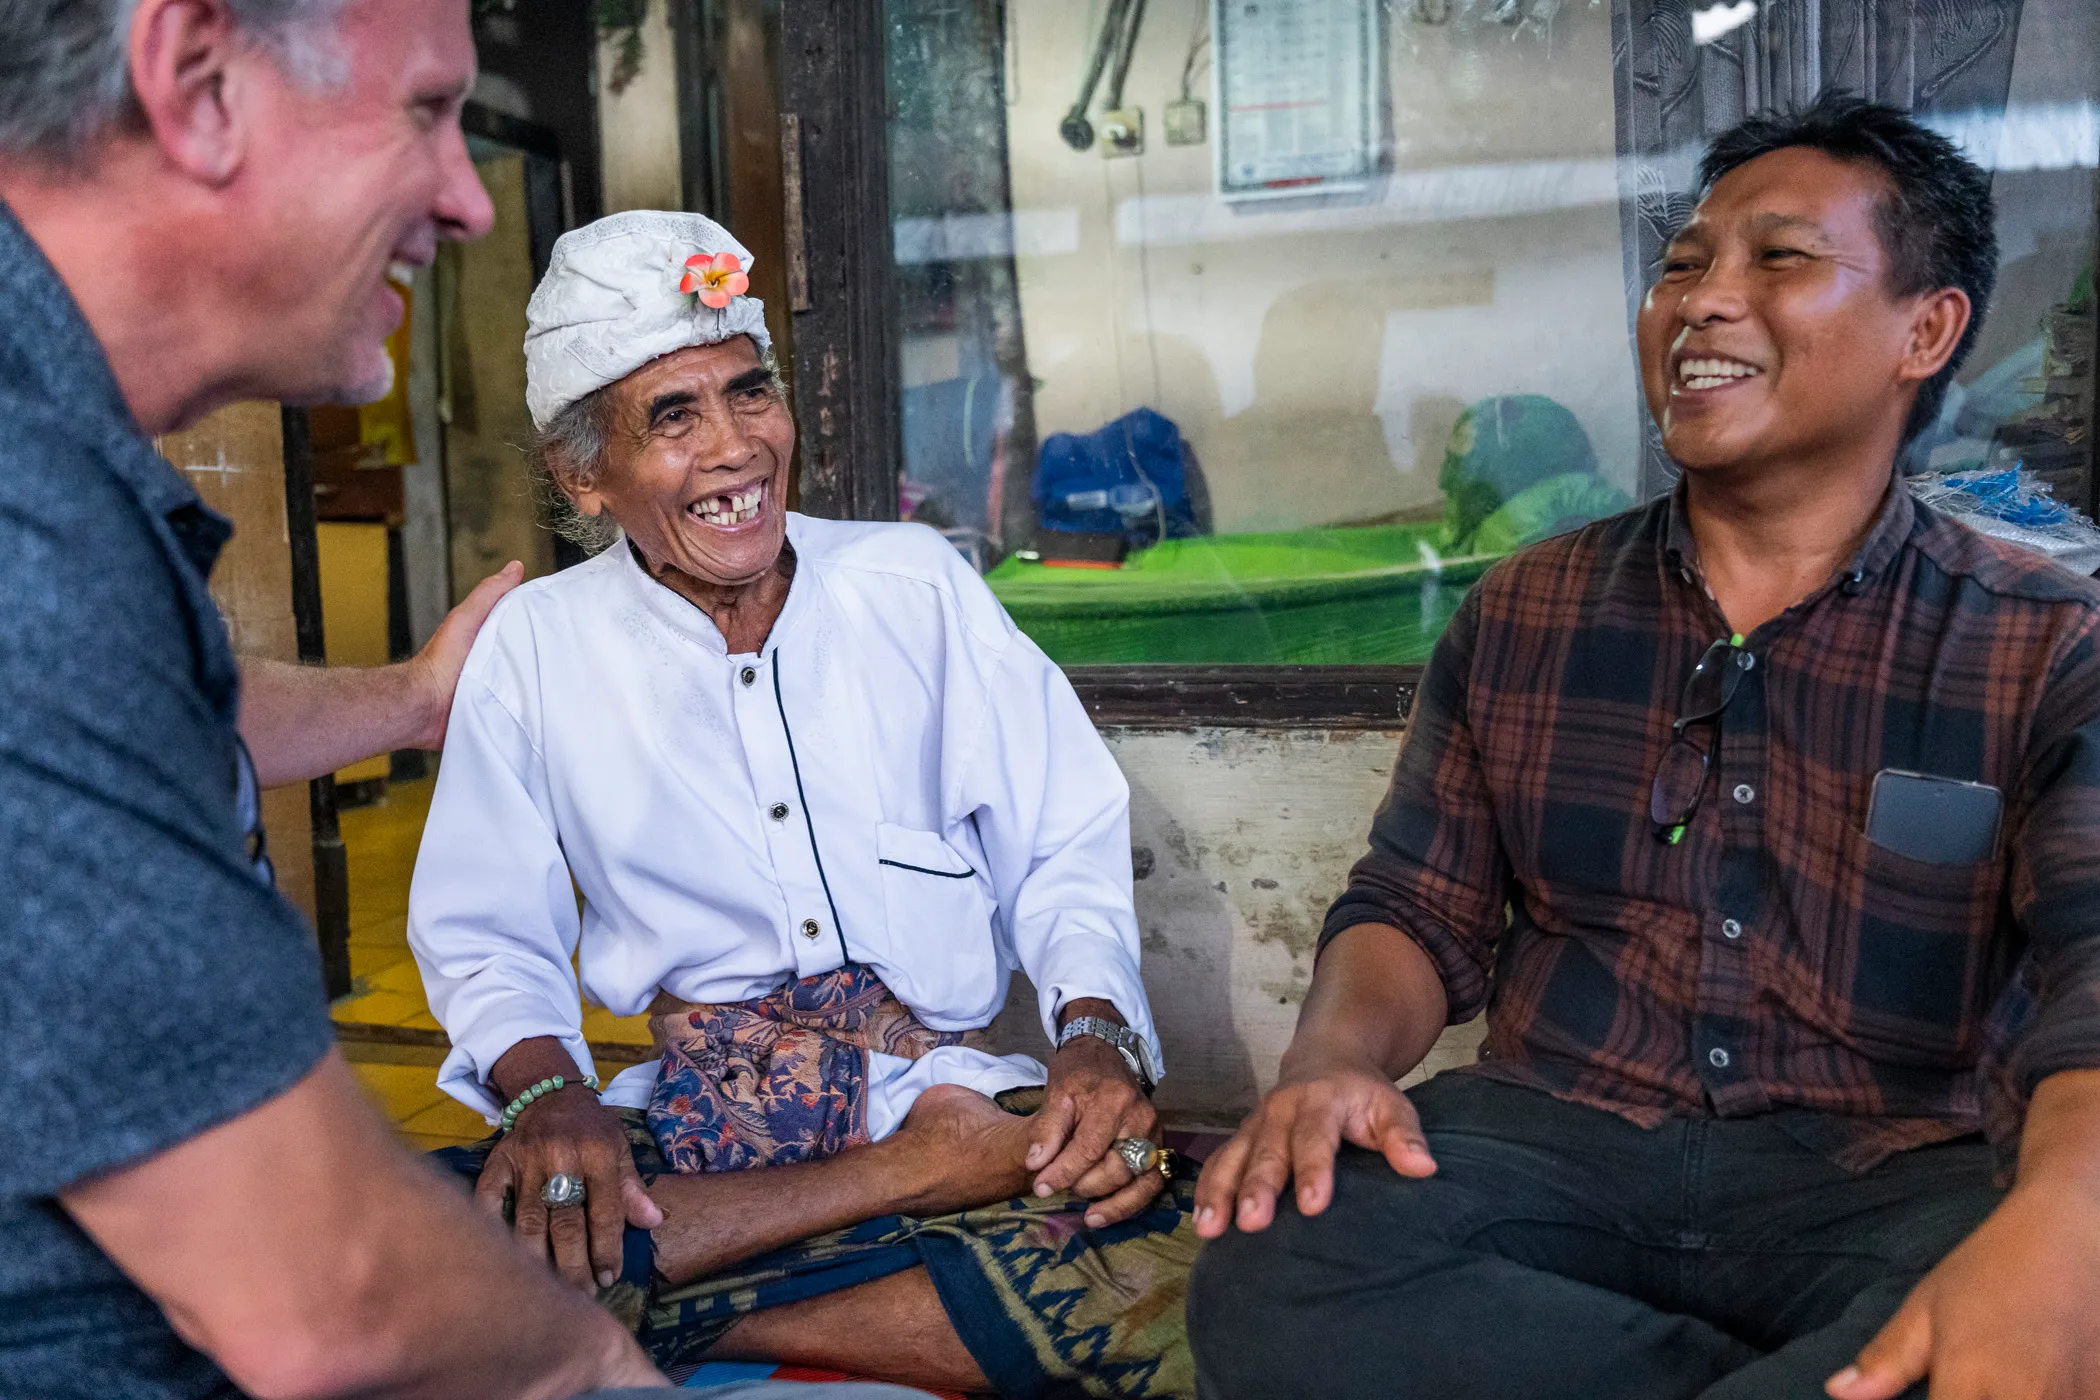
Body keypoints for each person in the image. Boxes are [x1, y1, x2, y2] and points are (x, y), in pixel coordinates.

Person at [0, 0, 909, 1394]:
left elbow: (121, 706)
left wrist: (413, 698)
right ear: (197, 83)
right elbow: (327, 1294)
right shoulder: (29, 530)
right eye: (425, 112)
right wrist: (598, 1369)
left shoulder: (58, 494)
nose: (467, 201)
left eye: (748, 397)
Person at [1187, 92, 2100, 1400]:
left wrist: (2070, 1221)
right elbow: (1412, 906)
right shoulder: (1531, 608)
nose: (1703, 301)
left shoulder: (2043, 642)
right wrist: (1330, 1062)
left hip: (1886, 1182)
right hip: (1550, 1146)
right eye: (1683, 263)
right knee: (1277, 1262)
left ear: (1928, 328)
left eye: (1779, 259)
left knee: (2007, 1316)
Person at [402, 208, 1198, 1397]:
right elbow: (484, 930)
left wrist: (1093, 1031)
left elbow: (1061, 838)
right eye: (673, 416)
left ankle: (680, 1310)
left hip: (945, 1097)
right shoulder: (535, 647)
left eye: (749, 392)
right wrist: (551, 1091)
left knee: (1193, 1269)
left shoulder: (913, 583)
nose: (735, 448)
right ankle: (897, 1207)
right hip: (707, 1133)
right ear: (584, 471)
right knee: (422, 1247)